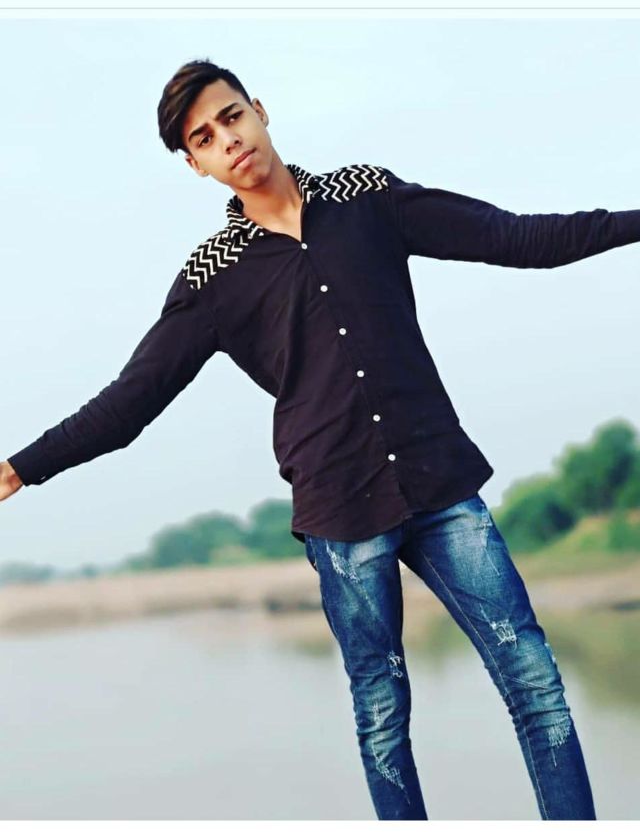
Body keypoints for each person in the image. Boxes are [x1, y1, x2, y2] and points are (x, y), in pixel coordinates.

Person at [7, 58, 640, 821]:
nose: (227, 139)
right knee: (383, 719)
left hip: (441, 483)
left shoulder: (366, 197)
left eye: (231, 117)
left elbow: (517, 237)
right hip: (341, 516)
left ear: (259, 110)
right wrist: (18, 469)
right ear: (196, 164)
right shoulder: (212, 279)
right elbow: (129, 403)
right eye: (204, 138)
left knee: (536, 684)